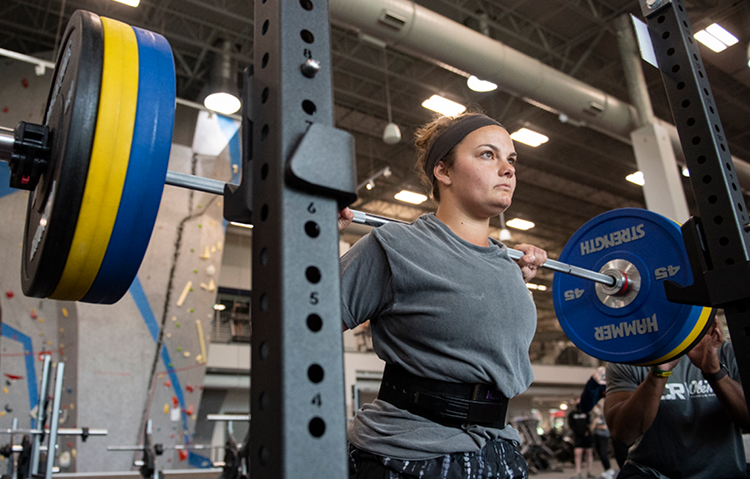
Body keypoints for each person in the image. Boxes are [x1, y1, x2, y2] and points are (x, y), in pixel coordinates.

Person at [337, 111, 548, 479]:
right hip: (408, 457)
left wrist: (514, 275)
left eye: (511, 159)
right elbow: (300, 321)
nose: (508, 169)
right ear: (444, 171)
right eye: (488, 154)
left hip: (498, 452)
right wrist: (312, 240)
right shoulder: (396, 246)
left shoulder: (510, 265)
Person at [604, 317, 750, 478]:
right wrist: (659, 373)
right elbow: (623, 434)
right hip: (653, 473)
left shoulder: (729, 353)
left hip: (724, 473)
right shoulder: (629, 360)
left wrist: (714, 372)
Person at [567, 402, 593, 479]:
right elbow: (571, 425)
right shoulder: (572, 414)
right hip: (578, 436)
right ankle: (578, 472)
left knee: (589, 453)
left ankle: (589, 472)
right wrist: (577, 432)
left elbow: (589, 423)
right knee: (578, 453)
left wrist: (587, 431)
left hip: (587, 436)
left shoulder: (586, 412)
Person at [589, 402, 614, 479]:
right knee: (600, 455)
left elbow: (605, 427)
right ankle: (606, 470)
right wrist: (595, 423)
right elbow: (591, 429)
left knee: (604, 454)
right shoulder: (593, 417)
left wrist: (597, 425)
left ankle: (609, 469)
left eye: (596, 407)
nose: (595, 409)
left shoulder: (604, 415)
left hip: (604, 437)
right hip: (596, 437)